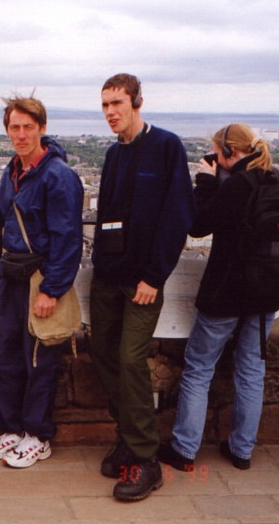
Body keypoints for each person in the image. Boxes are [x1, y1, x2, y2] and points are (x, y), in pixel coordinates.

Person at [159, 123, 279, 474]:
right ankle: (241, 449)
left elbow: (199, 225)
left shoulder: (237, 184)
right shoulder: (277, 179)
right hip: (265, 292)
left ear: (230, 152)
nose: (215, 159)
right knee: (251, 371)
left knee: (199, 368)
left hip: (227, 291)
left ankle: (184, 448)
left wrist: (206, 181)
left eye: (217, 154)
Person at [0, 95, 84, 469]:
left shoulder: (59, 176)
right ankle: (12, 428)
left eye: (28, 127)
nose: (21, 134)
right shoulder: (12, 170)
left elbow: (68, 238)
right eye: (15, 127)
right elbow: (15, 214)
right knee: (2, 354)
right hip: (10, 276)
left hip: (39, 279)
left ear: (42, 128)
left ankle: (38, 435)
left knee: (38, 359)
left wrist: (51, 290)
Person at [89, 73, 195, 501]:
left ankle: (146, 459)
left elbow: (178, 215)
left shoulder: (166, 146)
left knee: (131, 359)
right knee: (103, 354)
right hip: (108, 276)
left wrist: (154, 275)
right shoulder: (114, 153)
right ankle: (127, 437)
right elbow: (107, 215)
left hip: (142, 281)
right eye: (105, 105)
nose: (110, 112)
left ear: (137, 102)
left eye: (117, 103)